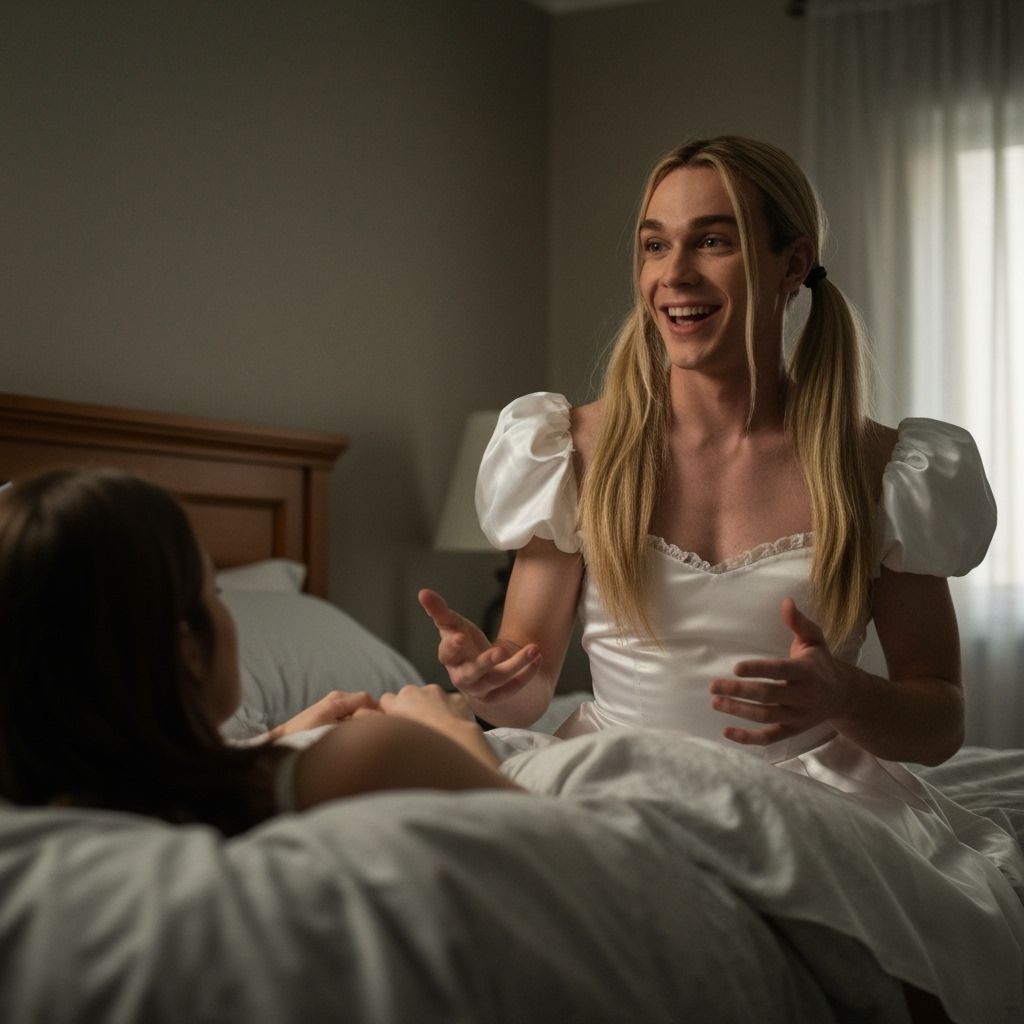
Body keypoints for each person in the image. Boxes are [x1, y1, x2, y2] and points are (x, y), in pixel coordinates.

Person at [419, 134, 996, 772]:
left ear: (793, 263)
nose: (674, 274)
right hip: (614, 782)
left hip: (811, 805)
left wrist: (847, 695)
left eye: (714, 241)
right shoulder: (571, 451)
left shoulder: (881, 469)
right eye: (656, 245)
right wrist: (487, 682)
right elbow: (525, 699)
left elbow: (940, 725)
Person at [0, 468, 516, 837]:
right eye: (215, 594)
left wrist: (268, 744)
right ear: (189, 651)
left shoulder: (55, 808)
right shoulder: (377, 754)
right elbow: (554, 850)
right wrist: (453, 733)